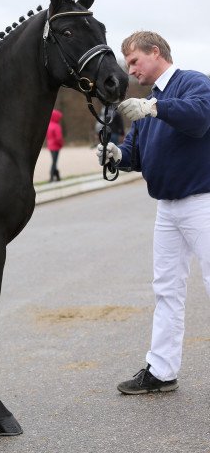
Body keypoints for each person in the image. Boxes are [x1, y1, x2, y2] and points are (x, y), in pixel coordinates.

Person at [96, 31, 210, 394]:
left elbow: (201, 117)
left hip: (202, 203)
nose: (130, 70)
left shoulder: (191, 82)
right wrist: (118, 155)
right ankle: (161, 371)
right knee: (166, 290)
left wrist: (155, 108)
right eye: (127, 64)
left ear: (155, 52)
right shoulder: (146, 103)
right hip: (167, 208)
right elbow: (137, 154)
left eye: (134, 61)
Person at [46, 109, 64, 182]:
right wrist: (61, 144)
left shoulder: (49, 125)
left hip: (50, 146)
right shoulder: (56, 126)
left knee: (54, 161)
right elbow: (59, 138)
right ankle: (51, 177)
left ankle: (57, 177)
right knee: (54, 162)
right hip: (56, 146)